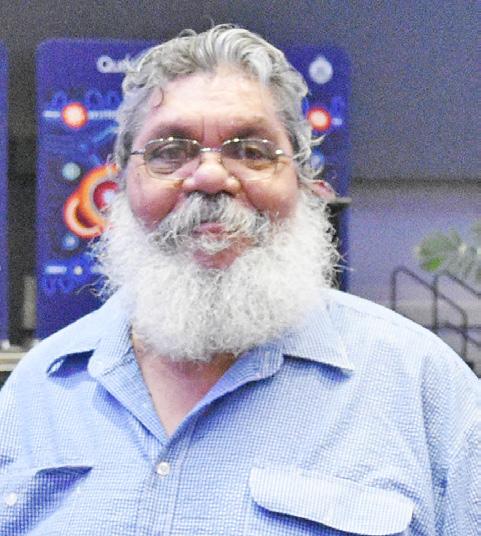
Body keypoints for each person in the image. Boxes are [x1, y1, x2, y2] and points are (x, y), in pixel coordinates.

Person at [0, 25, 479, 536]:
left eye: (251, 151)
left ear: (305, 183)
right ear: (120, 184)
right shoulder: (39, 390)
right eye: (169, 151)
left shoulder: (420, 386)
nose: (210, 177)